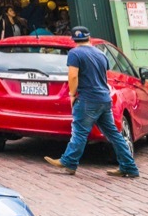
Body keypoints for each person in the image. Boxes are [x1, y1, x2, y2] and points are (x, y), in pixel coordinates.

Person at [45, 27, 140, 178]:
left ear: (74, 40)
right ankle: (129, 167)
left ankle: (69, 162)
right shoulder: (101, 54)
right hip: (104, 99)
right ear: (89, 38)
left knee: (79, 132)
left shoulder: (74, 53)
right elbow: (104, 74)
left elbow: (73, 76)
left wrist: (71, 94)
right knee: (114, 135)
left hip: (87, 99)